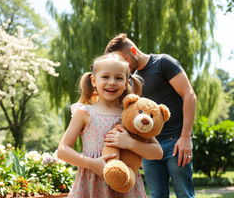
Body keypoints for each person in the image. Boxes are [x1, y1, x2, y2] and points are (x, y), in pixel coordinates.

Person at [57, 53, 163, 198]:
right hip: (90, 184)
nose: (112, 82)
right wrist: (91, 164)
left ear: (126, 83)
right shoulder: (84, 113)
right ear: (94, 81)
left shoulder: (131, 115)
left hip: (126, 185)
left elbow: (157, 152)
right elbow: (62, 150)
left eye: (118, 78)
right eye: (105, 77)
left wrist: (129, 143)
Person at [105, 34, 197, 198]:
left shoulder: (163, 63)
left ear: (133, 50)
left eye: (123, 60)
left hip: (175, 143)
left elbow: (189, 95)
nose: (122, 66)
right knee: (156, 195)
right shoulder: (130, 80)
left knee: (184, 194)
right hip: (148, 147)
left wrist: (185, 137)